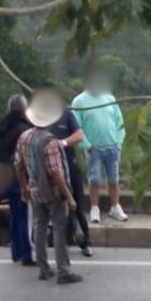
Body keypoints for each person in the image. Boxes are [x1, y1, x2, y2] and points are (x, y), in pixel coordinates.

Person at [15, 89, 83, 284]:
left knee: (39, 228)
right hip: (53, 192)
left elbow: (18, 165)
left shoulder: (24, 137)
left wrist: (24, 187)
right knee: (60, 230)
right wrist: (69, 197)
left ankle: (43, 268)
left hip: (35, 189)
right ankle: (64, 271)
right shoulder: (51, 142)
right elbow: (56, 173)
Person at [72, 70, 128, 223]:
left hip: (113, 146)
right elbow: (77, 126)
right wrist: (87, 145)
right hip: (94, 148)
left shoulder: (109, 98)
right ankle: (94, 208)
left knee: (114, 179)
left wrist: (119, 143)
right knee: (94, 179)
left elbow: (119, 122)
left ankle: (115, 207)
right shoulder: (79, 101)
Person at [46, 89, 93, 257]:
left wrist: (62, 143)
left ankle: (85, 242)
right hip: (48, 168)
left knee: (77, 203)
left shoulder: (66, 114)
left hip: (68, 165)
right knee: (51, 207)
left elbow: (79, 135)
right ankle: (56, 244)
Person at [0, 94, 34, 265]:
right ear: (24, 109)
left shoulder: (2, 127)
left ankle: (15, 251)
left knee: (15, 214)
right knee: (26, 216)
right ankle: (27, 254)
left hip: (5, 174)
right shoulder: (24, 129)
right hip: (21, 176)